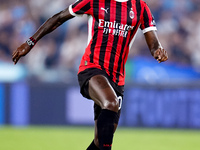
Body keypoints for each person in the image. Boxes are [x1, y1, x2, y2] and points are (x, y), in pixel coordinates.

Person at [12, 0, 168, 149]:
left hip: (117, 78)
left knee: (100, 142)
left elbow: (153, 43)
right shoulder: (94, 1)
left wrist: (157, 52)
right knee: (111, 103)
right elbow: (58, 18)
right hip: (92, 68)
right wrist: (30, 42)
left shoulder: (140, 7)